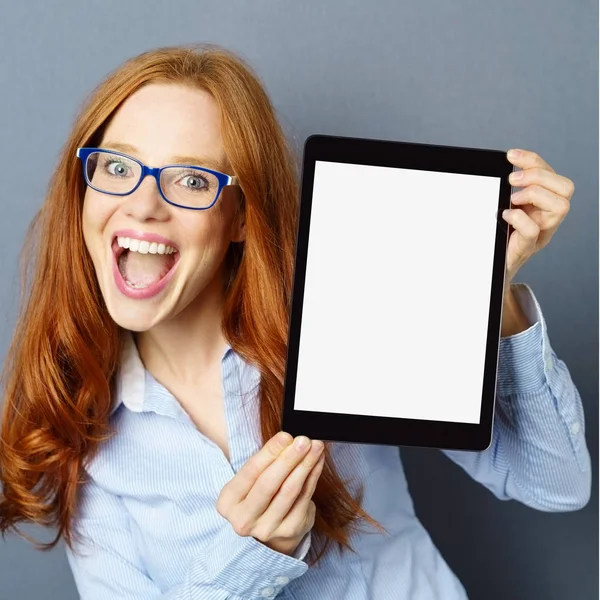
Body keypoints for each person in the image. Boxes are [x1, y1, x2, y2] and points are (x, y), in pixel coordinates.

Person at [0, 45, 591, 600]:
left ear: (239, 219)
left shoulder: (344, 322)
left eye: (193, 180)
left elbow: (555, 484)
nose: (143, 204)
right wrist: (257, 556)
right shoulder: (80, 436)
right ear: (85, 189)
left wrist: (497, 293)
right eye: (117, 166)